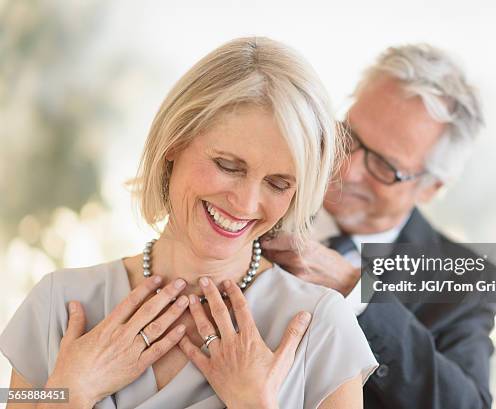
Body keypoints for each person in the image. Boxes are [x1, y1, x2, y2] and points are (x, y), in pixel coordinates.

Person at [0, 37, 377, 409]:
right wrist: (68, 394)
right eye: (228, 166)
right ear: (175, 143)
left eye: (278, 184)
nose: (245, 203)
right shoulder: (56, 305)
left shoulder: (323, 326)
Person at [262, 44, 496, 409]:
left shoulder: (463, 282)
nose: (347, 169)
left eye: (385, 167)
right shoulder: (264, 189)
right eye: (350, 135)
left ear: (431, 187)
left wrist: (357, 289)